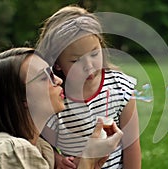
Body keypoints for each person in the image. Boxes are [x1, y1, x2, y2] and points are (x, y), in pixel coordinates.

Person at [0, 47, 123, 169]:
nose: (58, 80)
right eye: (45, 77)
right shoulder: (12, 151)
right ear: (21, 97)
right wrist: (88, 160)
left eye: (52, 73)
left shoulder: (40, 149)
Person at [36, 5, 141, 169]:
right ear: (57, 64)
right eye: (76, 60)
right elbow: (38, 140)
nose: (89, 65)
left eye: (94, 54)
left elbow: (131, 145)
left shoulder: (120, 88)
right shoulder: (54, 96)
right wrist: (55, 158)